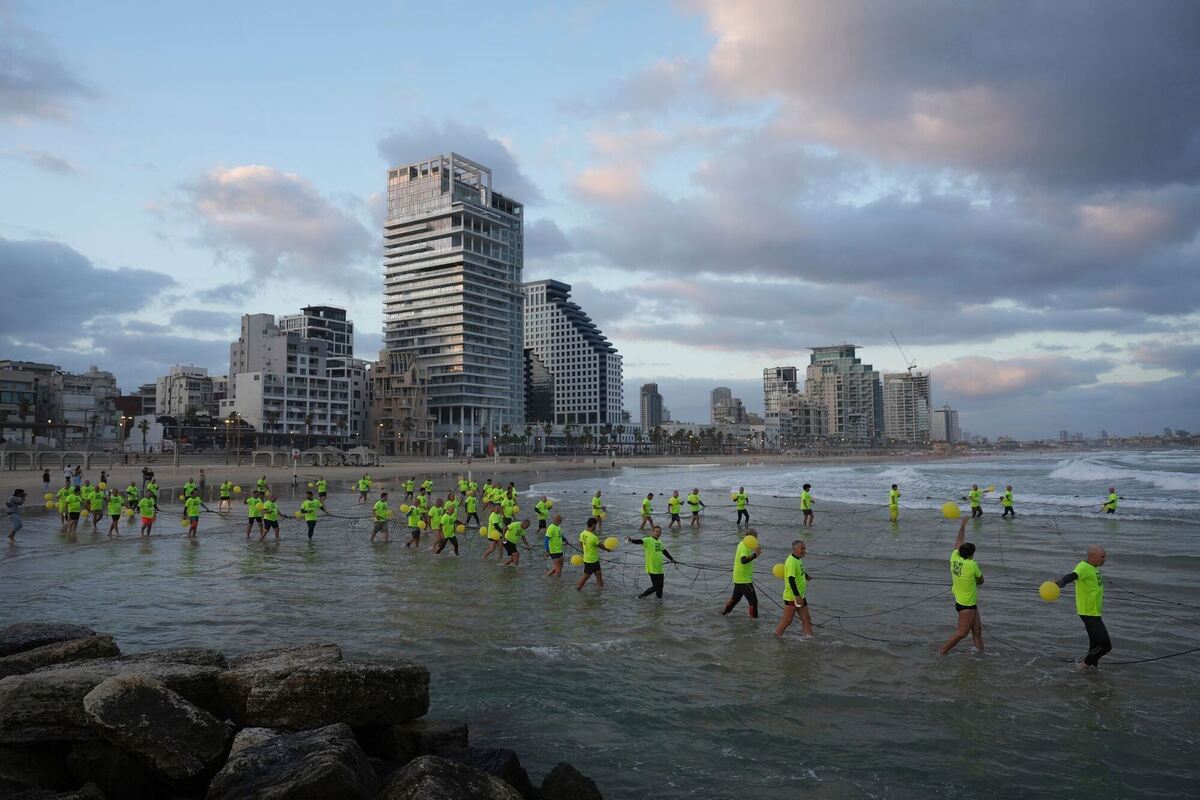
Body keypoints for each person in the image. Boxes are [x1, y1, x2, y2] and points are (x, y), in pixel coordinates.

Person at [1053, 545, 1110, 669]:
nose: (1105, 558)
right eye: (1102, 556)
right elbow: (1073, 575)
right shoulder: (1083, 567)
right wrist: (1059, 583)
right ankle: (1084, 665)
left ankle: (1091, 669)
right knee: (1105, 645)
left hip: (1093, 612)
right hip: (1089, 613)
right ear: (1092, 557)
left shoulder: (1093, 568)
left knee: (1095, 644)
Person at [939, 517, 984, 655]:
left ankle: (980, 654)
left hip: (965, 601)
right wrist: (974, 580)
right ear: (971, 554)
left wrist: (963, 525)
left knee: (977, 630)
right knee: (962, 633)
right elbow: (981, 580)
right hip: (966, 604)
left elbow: (959, 542)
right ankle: (942, 652)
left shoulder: (954, 558)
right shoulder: (972, 565)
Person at [774, 540, 813, 638]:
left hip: (800, 595)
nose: (804, 551)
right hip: (792, 597)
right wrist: (797, 596)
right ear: (794, 549)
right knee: (787, 621)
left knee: (807, 619)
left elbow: (800, 571)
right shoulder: (791, 561)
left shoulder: (798, 559)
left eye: (805, 548)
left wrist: (806, 576)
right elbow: (791, 579)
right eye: (802, 549)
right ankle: (776, 637)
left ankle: (809, 639)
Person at [627, 525, 675, 599]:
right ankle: (641, 597)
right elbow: (640, 541)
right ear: (652, 532)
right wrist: (631, 540)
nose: (658, 533)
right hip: (652, 567)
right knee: (656, 586)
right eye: (656, 531)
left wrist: (672, 559)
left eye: (659, 532)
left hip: (659, 567)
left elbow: (664, 551)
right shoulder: (648, 540)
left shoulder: (659, 541)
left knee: (660, 586)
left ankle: (659, 601)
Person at [722, 531, 761, 618]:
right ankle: (754, 622)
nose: (757, 540)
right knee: (753, 602)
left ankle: (723, 614)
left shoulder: (742, 543)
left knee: (736, 599)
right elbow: (743, 560)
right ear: (750, 538)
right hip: (744, 579)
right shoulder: (745, 546)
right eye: (755, 538)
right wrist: (755, 554)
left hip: (739, 576)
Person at [576, 517, 605, 591]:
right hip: (592, 560)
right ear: (593, 525)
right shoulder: (593, 537)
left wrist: (584, 551)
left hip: (588, 559)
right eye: (596, 525)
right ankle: (578, 589)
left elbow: (580, 542)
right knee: (586, 576)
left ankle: (600, 592)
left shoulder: (582, 533)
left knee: (598, 575)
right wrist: (608, 549)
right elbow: (601, 546)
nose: (596, 527)